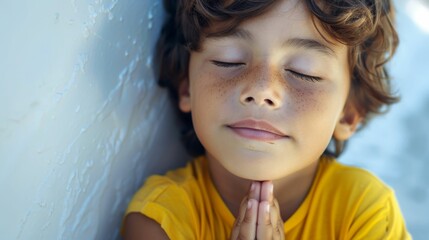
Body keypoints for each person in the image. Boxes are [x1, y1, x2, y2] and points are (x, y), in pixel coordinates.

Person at [123, 0, 411, 239]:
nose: (261, 91)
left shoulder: (365, 213)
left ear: (348, 112)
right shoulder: (160, 221)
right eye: (229, 60)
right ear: (187, 84)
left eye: (303, 71)